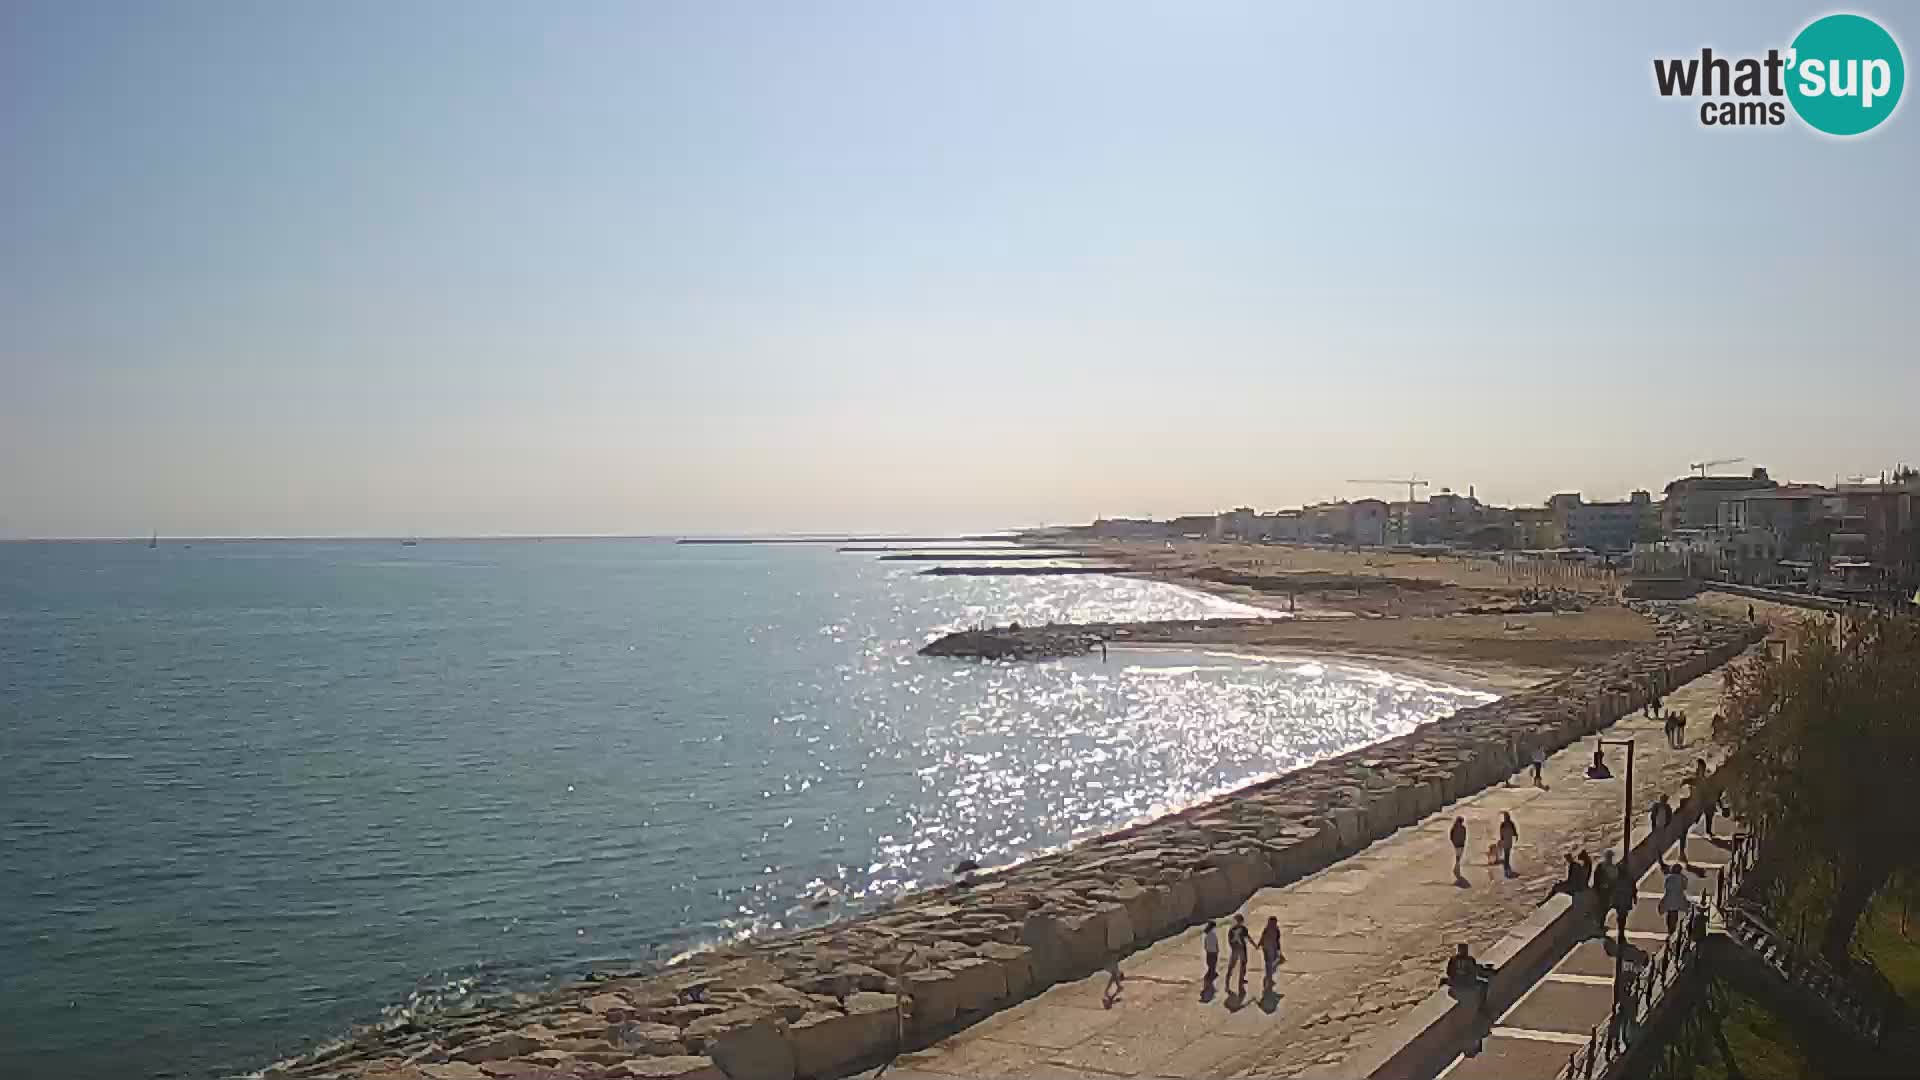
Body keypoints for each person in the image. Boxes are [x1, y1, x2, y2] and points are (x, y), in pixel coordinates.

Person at [1443, 943, 1495, 1018]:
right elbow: (1477, 972)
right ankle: (1482, 1006)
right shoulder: (1470, 959)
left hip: (1455, 984)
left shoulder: (1453, 960)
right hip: (1468, 984)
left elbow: (1448, 973)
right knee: (1484, 984)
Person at [1660, 863, 1690, 935]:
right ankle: (1672, 930)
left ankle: (1669, 930)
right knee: (1675, 914)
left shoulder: (1668, 877)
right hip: (1678, 899)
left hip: (1669, 898)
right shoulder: (1682, 878)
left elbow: (1666, 887)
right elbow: (1685, 887)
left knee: (1669, 914)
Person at [1590, 851, 1618, 930]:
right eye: (1609, 857)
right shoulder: (1603, 866)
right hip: (1602, 891)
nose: (1610, 858)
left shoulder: (1613, 868)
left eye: (1610, 857)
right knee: (1602, 907)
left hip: (1607, 892)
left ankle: (1600, 923)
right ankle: (1600, 923)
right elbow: (1596, 878)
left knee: (1605, 908)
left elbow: (1614, 881)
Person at [1225, 914, 1251, 991]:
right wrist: (1255, 945)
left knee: (1231, 967)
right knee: (1243, 965)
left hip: (1235, 950)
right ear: (1242, 921)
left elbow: (1229, 940)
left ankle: (1227, 985)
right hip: (1242, 949)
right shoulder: (1243, 929)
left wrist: (1233, 948)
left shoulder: (1231, 929)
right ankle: (1241, 981)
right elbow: (1248, 938)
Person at [1259, 916, 1284, 985]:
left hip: (1274, 947)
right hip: (1266, 948)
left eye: (1273, 923)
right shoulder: (1266, 929)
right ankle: (1269, 977)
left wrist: (1279, 950)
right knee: (1268, 963)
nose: (1272, 924)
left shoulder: (1276, 930)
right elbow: (1262, 937)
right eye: (1270, 923)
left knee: (1275, 961)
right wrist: (1259, 944)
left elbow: (1277, 940)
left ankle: (1268, 976)